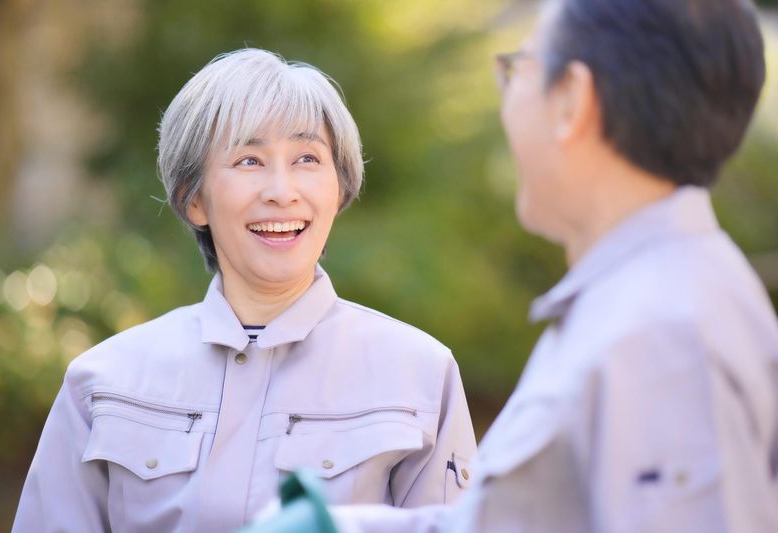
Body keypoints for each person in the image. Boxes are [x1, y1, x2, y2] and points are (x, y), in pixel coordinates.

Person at [323, 0, 778, 531]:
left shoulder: (663, 336)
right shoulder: (649, 298)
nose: (507, 100)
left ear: (572, 100)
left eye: (517, 69)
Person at [12, 49, 476, 532]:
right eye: (249, 159)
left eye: (307, 158)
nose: (281, 190)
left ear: (338, 190)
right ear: (195, 200)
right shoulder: (102, 383)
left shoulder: (420, 374)